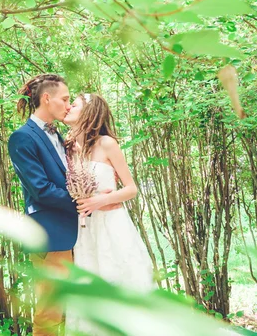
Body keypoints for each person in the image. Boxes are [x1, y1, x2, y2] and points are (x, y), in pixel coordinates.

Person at [63, 93, 154, 335]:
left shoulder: (107, 144)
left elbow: (131, 189)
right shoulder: (67, 146)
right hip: (85, 230)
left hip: (112, 225)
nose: (68, 107)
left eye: (74, 104)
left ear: (89, 113)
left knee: (119, 280)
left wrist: (102, 199)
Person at [8, 74, 75, 336]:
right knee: (50, 310)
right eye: (65, 99)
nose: (68, 105)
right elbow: (41, 189)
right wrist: (81, 203)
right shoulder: (22, 137)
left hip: (73, 232)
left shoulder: (60, 135)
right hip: (50, 234)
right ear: (47, 99)